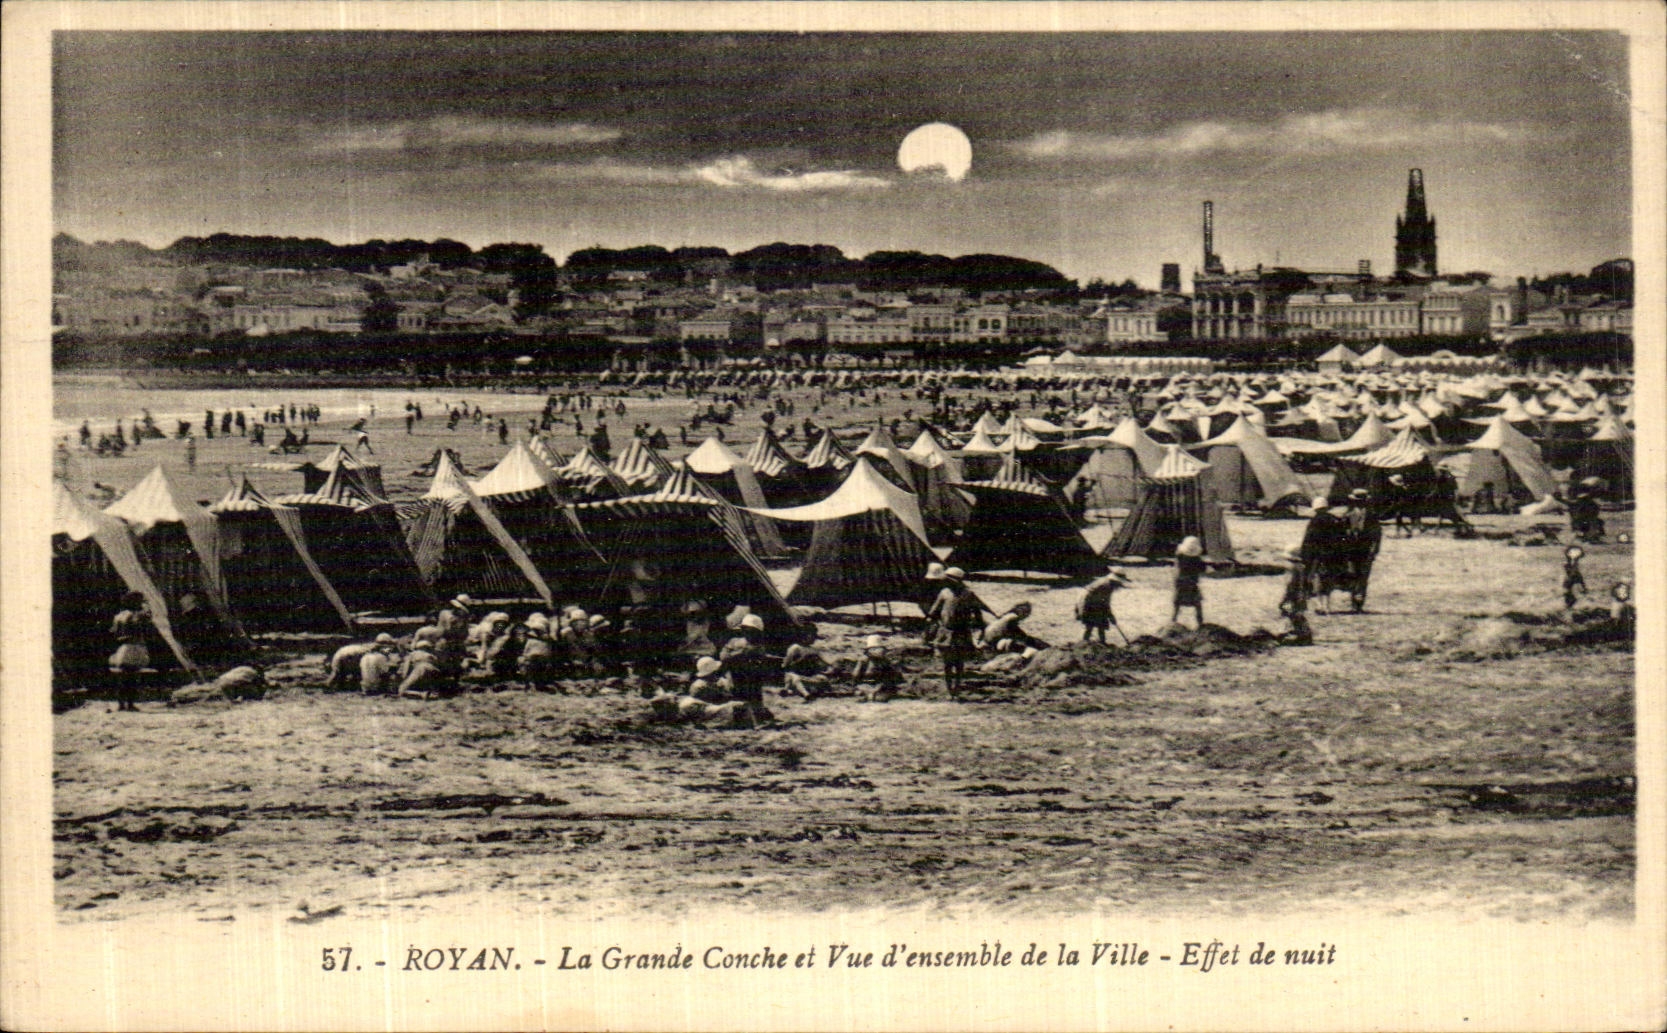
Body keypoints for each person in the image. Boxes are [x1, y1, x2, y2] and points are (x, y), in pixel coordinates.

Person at [927, 567, 985, 695]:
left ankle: (957, 687)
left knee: (959, 662)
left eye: (950, 580)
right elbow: (934, 611)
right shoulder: (944, 593)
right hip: (946, 632)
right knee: (947, 663)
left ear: (958, 581)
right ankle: (949, 688)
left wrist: (981, 627)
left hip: (962, 632)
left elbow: (977, 612)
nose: (947, 582)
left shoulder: (968, 594)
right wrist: (932, 624)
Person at [718, 613, 773, 723]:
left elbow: (760, 663)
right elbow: (723, 657)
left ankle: (756, 713)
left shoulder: (758, 647)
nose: (748, 633)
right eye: (746, 629)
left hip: (751, 677)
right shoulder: (734, 641)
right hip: (734, 674)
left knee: (754, 696)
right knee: (736, 697)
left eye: (752, 631)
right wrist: (739, 653)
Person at [108, 591, 153, 712]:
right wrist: (147, 605)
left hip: (122, 647)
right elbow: (148, 617)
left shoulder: (118, 616)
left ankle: (121, 704)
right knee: (132, 677)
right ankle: (130, 704)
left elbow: (114, 632)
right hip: (134, 646)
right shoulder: (135, 615)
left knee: (123, 677)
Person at [1076, 567, 1131, 644]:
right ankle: (1085, 643)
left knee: (1101, 623)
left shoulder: (1108, 583)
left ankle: (1101, 642)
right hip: (1087, 603)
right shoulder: (1106, 586)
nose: (1120, 585)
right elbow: (1104, 604)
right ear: (1115, 581)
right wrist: (1111, 616)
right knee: (1091, 624)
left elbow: (1103, 603)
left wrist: (1110, 616)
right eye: (1119, 583)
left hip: (1093, 602)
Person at [325, 633, 395, 690]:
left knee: (336, 673)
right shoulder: (374, 649)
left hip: (341, 653)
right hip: (348, 656)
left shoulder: (369, 645)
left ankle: (330, 685)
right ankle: (331, 685)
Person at [850, 634, 903, 702]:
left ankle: (874, 695)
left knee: (883, 695)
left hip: (880, 685)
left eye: (881, 649)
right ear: (870, 650)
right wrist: (856, 685)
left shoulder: (884, 661)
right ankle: (869, 695)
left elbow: (890, 674)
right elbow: (855, 675)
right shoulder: (864, 660)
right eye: (877, 649)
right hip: (866, 684)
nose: (881, 651)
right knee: (861, 694)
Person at [1277, 547, 1314, 646]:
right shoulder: (1301, 567)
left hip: (1294, 595)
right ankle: (1305, 635)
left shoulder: (1291, 568)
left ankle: (1302, 636)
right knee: (1297, 615)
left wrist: (1284, 598)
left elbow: (1290, 584)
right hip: (1301, 594)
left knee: (1292, 614)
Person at [981, 602, 1048, 654]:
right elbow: (1015, 631)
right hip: (994, 640)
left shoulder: (1006, 616)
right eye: (1027, 613)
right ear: (1022, 611)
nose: (1027, 616)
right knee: (1029, 642)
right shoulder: (1013, 617)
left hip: (988, 639)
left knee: (1027, 640)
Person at [1172, 536, 1206, 627]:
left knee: (1178, 602)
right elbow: (1203, 569)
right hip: (1192, 583)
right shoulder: (1197, 560)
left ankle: (1174, 618)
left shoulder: (1180, 557)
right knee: (1197, 604)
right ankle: (1200, 621)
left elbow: (1177, 567)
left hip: (1181, 582)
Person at [1563, 545, 1587, 610]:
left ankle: (1569, 606)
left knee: (1569, 592)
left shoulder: (1570, 564)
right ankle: (1569, 605)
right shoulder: (1569, 564)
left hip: (1572, 578)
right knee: (1570, 592)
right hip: (1572, 578)